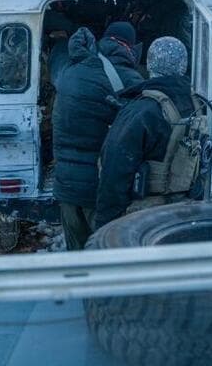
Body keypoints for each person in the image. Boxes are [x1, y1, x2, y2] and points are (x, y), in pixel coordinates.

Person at [48, 21, 144, 250]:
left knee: (78, 257)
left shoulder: (71, 71)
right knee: (106, 257)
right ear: (129, 47)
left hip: (66, 187)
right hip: (100, 190)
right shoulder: (129, 80)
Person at [94, 36, 205, 230]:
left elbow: (114, 171)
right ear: (184, 65)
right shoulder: (196, 103)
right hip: (184, 212)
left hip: (145, 217)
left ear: (150, 63)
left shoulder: (142, 110)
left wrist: (105, 225)